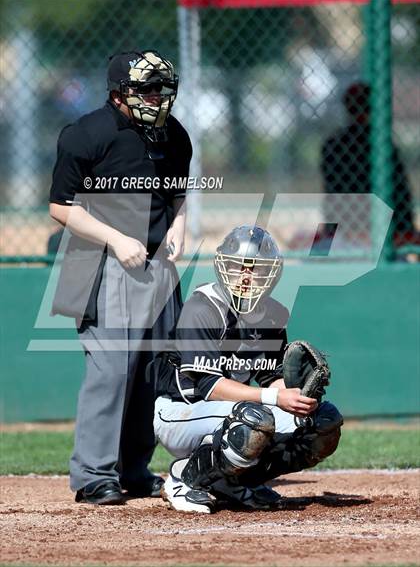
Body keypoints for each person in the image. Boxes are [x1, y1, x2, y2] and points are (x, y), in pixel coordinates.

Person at [49, 50, 192, 504]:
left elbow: (178, 195)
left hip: (156, 265)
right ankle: (93, 475)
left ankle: (133, 469)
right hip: (99, 263)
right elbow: (60, 206)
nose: (156, 96)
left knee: (153, 372)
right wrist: (116, 239)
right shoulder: (87, 133)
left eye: (160, 87)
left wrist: (177, 229)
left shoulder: (174, 135)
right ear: (118, 93)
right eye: (145, 88)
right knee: (111, 371)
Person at [153, 225, 343, 513]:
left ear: (272, 273)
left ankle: (233, 483)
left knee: (321, 423)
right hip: (181, 411)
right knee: (255, 420)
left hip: (232, 412)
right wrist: (274, 398)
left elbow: (271, 378)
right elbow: (209, 387)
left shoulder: (274, 313)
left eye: (256, 269)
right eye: (238, 266)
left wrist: (298, 397)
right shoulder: (203, 308)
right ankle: (184, 477)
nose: (246, 276)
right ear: (223, 267)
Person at [320, 81, 418, 251]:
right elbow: (402, 194)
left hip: (344, 227)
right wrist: (406, 228)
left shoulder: (332, 144)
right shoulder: (382, 144)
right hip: (385, 228)